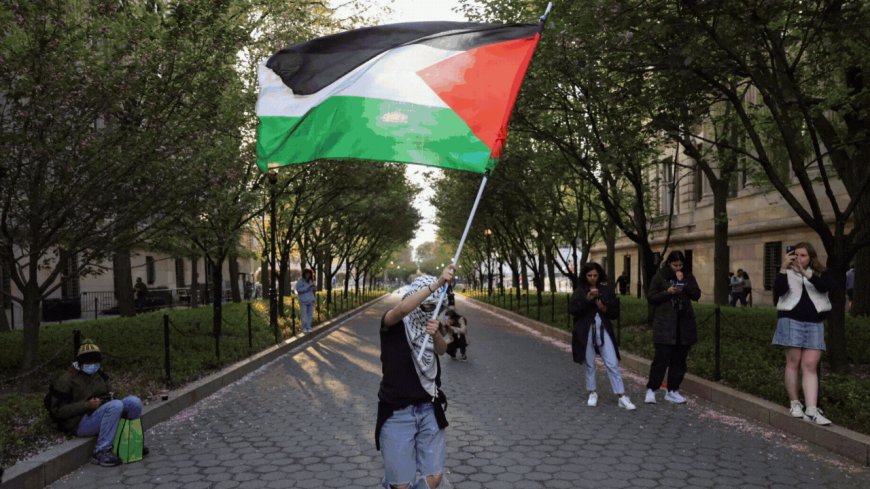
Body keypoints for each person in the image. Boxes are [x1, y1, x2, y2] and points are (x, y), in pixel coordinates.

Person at [376, 265, 455, 489]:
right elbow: (402, 310)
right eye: (426, 304)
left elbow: (441, 351)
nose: (430, 309)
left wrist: (437, 333)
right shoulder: (392, 323)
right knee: (400, 484)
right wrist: (437, 284)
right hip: (397, 409)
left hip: (429, 406)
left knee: (434, 478)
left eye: (435, 304)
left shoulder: (431, 325)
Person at [46, 339, 146, 467]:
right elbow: (58, 411)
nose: (93, 365)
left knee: (134, 402)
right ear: (81, 363)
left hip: (99, 412)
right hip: (79, 422)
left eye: (96, 361)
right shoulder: (66, 380)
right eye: (89, 362)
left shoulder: (99, 374)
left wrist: (109, 397)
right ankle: (100, 451)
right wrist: (86, 405)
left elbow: (108, 392)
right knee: (116, 405)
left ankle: (131, 443)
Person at [772, 242, 833, 425]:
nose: (798, 258)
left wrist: (806, 273)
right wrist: (784, 267)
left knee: (810, 365)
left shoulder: (820, 273)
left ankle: (812, 409)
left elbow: (825, 286)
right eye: (796, 255)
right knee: (793, 362)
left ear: (811, 257)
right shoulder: (786, 273)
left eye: (803, 255)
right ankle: (795, 403)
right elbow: (779, 291)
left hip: (815, 323)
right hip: (791, 320)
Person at [569, 262, 636, 410]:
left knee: (612, 362)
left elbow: (614, 313)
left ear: (599, 275)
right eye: (589, 275)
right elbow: (573, 310)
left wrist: (603, 307)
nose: (592, 278)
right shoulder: (580, 291)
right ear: (585, 276)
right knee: (589, 363)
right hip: (585, 332)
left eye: (595, 275)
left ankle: (621, 395)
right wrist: (587, 299)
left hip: (604, 331)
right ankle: (592, 392)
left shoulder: (605, 290)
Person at [644, 251, 701, 405]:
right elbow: (651, 297)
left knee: (679, 360)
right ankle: (651, 389)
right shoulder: (660, 276)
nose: (677, 268)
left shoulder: (688, 276)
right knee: (661, 359)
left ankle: (673, 390)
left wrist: (685, 286)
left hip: (683, 324)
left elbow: (696, 294)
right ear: (668, 263)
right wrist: (667, 292)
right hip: (665, 324)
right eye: (674, 265)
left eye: (680, 265)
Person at [295, 269, 316, 334]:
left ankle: (308, 327)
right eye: (306, 273)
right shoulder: (300, 281)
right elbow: (298, 290)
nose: (308, 275)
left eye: (309, 274)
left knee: (310, 315)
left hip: (311, 300)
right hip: (303, 301)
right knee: (304, 315)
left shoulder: (310, 281)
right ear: (304, 274)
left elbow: (312, 290)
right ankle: (304, 327)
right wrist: (307, 287)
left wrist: (313, 288)